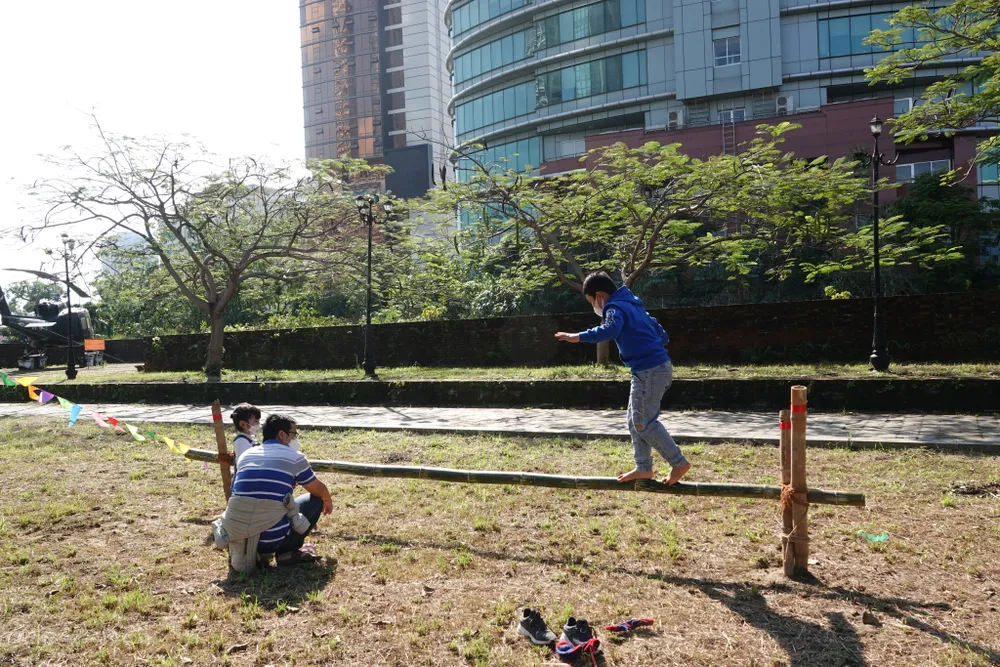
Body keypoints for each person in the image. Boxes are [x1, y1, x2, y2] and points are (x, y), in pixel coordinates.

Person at [555, 271, 691, 486]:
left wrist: (578, 337)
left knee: (643, 423)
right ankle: (643, 468)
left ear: (599, 295)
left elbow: (610, 329)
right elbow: (661, 334)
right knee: (634, 421)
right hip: (651, 368)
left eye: (591, 301)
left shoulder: (614, 307)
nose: (594, 307)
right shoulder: (634, 305)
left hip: (649, 370)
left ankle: (678, 462)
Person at [211, 414, 333, 571]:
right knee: (315, 499)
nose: (295, 439)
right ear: (282, 434)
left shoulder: (246, 455)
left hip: (238, 537)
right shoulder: (295, 457)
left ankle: (255, 551)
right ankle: (287, 552)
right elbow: (318, 489)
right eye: (293, 434)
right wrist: (327, 500)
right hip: (270, 540)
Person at [229, 403, 261, 472]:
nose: (258, 424)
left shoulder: (251, 438)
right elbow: (243, 464)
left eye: (258, 421)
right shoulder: (241, 441)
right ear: (243, 424)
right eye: (255, 421)